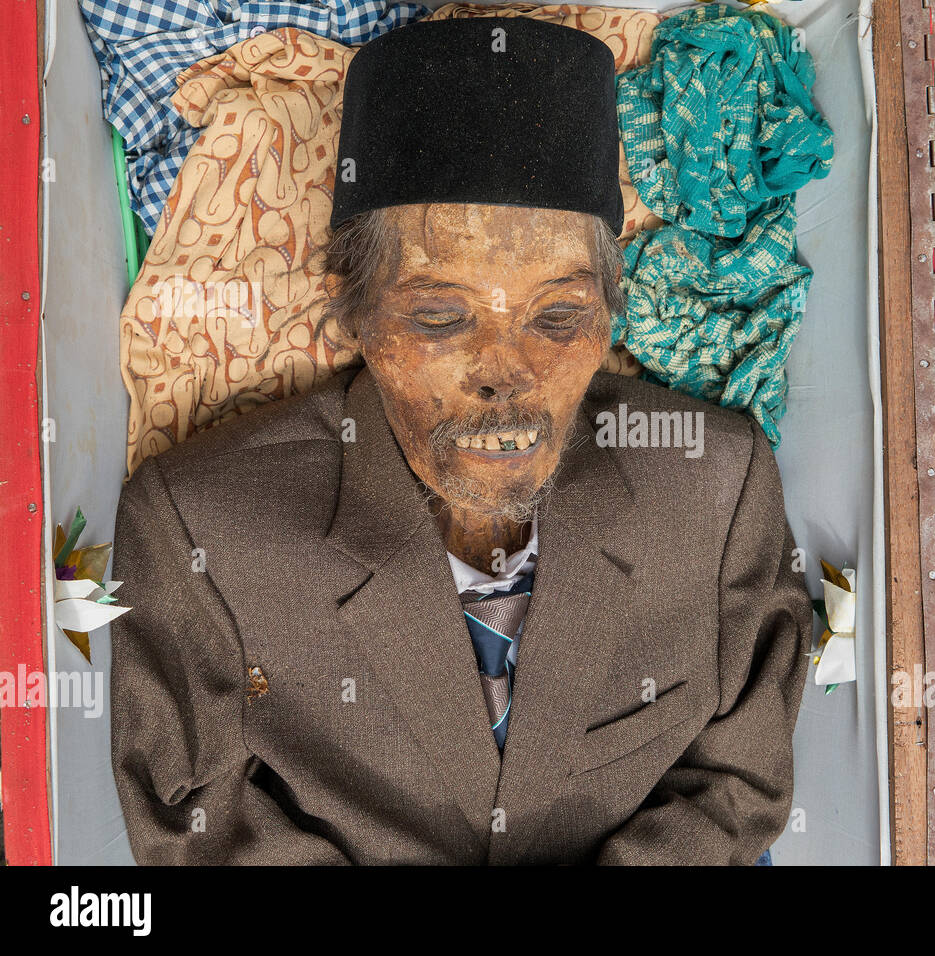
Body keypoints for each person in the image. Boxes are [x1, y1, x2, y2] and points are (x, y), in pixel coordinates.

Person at [110, 16, 810, 865]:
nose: (504, 373)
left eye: (559, 316)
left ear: (608, 315)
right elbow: (198, 830)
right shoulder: (200, 533)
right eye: (441, 316)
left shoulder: (715, 487)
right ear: (353, 308)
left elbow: (741, 784)